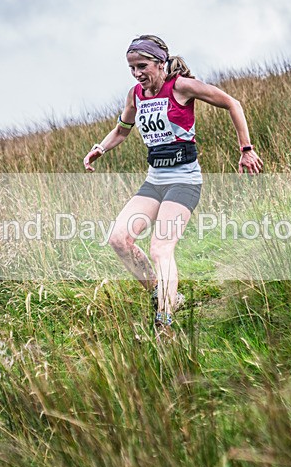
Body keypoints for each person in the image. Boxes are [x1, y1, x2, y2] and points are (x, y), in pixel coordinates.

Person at [83, 35, 263, 336]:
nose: (138, 74)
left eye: (142, 66)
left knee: (160, 248)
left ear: (160, 63)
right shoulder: (135, 95)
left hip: (184, 181)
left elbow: (233, 103)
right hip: (154, 181)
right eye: (131, 68)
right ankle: (165, 295)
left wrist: (246, 149)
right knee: (119, 240)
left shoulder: (181, 87)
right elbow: (122, 130)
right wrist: (100, 148)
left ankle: (164, 325)